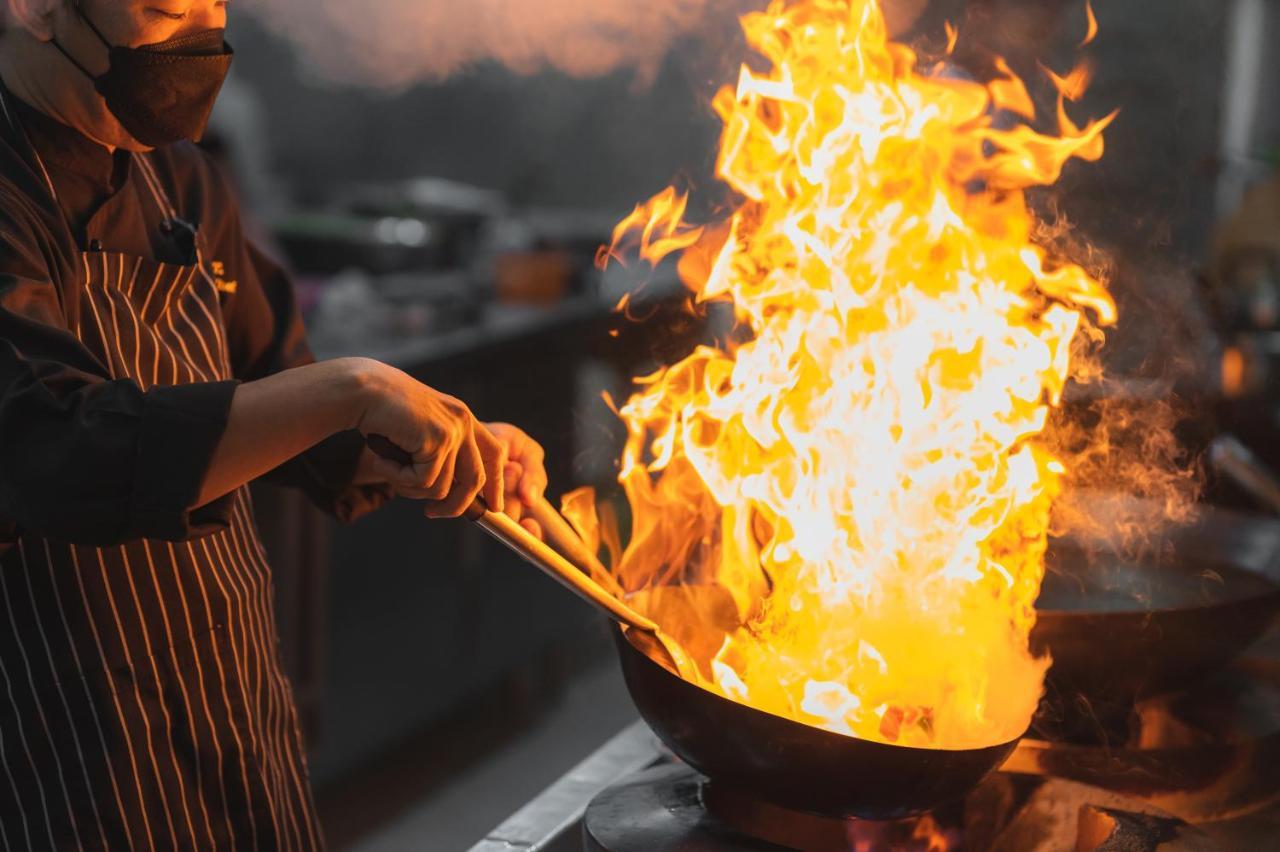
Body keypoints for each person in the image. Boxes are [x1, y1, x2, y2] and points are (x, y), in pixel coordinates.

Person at [0, 0, 549, 847]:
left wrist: (415, 447)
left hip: (233, 708)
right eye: (162, 10)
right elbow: (56, 451)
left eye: (213, 4)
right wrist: (349, 389)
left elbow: (275, 387)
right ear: (34, 9)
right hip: (70, 756)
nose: (201, 39)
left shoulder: (176, 181)